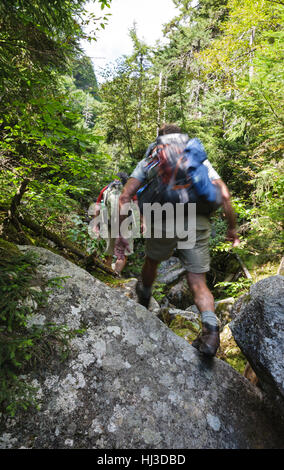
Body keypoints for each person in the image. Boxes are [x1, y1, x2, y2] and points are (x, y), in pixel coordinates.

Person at [115, 124, 240, 357]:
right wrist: (232, 229)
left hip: (162, 217)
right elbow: (224, 194)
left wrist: (122, 234)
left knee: (152, 261)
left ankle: (145, 294)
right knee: (198, 281)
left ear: (160, 140)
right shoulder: (197, 159)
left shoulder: (151, 159)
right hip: (197, 219)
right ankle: (211, 330)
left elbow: (125, 195)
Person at [94, 171, 134, 275]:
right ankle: (115, 274)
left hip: (109, 225)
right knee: (123, 254)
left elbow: (97, 207)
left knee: (108, 253)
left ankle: (106, 274)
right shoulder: (130, 191)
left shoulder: (106, 189)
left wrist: (95, 225)